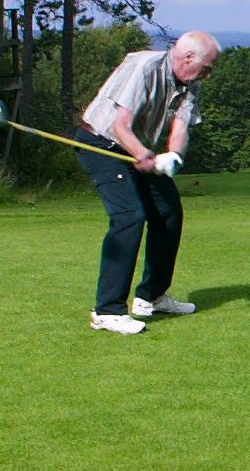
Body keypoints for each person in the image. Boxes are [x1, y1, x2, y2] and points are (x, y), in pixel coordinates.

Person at [78, 31, 220, 335]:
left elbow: (181, 127)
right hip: (101, 143)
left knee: (168, 212)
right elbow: (120, 126)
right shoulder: (143, 68)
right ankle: (107, 310)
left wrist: (173, 157)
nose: (208, 74)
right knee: (129, 216)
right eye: (207, 67)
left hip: (138, 148)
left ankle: (151, 296)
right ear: (188, 57)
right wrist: (144, 155)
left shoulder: (190, 82)